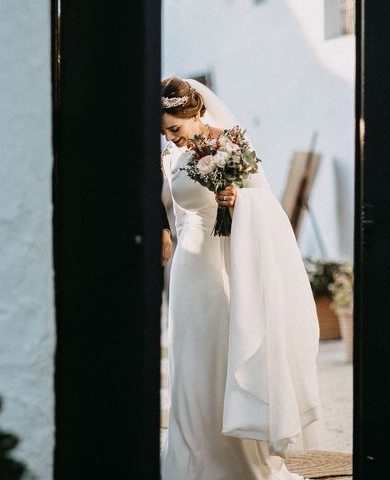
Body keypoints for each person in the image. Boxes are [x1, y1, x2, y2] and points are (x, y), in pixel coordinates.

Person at [159, 76, 322, 480]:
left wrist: (238, 200)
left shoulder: (230, 145)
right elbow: (165, 202)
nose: (172, 139)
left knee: (220, 357)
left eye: (175, 129)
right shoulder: (169, 155)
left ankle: (234, 463)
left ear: (195, 113)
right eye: (164, 132)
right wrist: (162, 229)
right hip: (187, 271)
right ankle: (191, 461)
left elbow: (266, 205)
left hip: (224, 270)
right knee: (189, 363)